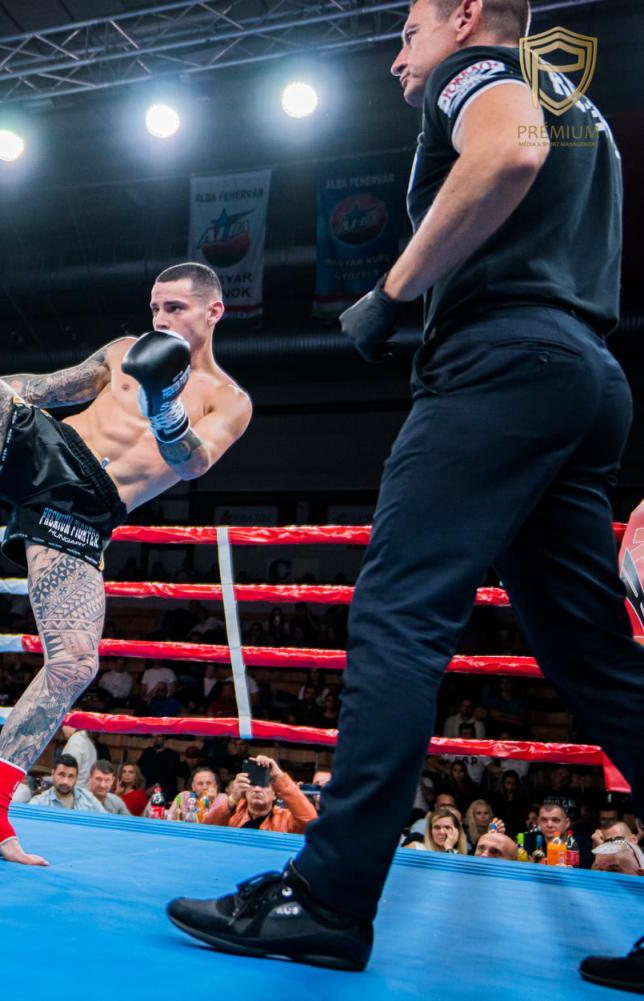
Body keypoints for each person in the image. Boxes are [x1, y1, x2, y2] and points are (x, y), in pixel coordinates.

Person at [168, 0, 643, 976]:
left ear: (466, 15)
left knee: (398, 613)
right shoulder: (582, 109)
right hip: (588, 376)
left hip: (503, 365)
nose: (397, 59)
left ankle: (328, 896)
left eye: (409, 30)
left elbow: (508, 152)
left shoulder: (480, 72)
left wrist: (392, 290)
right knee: (596, 657)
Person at [0, 260, 250, 864]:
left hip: (90, 513)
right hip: (49, 450)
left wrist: (165, 404)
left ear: (213, 311)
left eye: (175, 308)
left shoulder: (229, 400)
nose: (160, 319)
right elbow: (46, 387)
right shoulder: (124, 351)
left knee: (75, 664)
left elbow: (193, 463)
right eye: (155, 307)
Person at [200, 755, 317, 834]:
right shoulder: (233, 813)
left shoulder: (285, 819)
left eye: (264, 785)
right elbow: (206, 829)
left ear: (274, 794)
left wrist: (279, 777)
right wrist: (233, 798)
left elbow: (311, 822)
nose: (257, 789)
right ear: (245, 791)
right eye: (252, 783)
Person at [28, 754, 105, 812]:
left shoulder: (89, 800)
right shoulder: (39, 803)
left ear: (76, 778)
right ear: (53, 773)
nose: (65, 781)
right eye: (61, 775)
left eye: (71, 776)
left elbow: (106, 822)